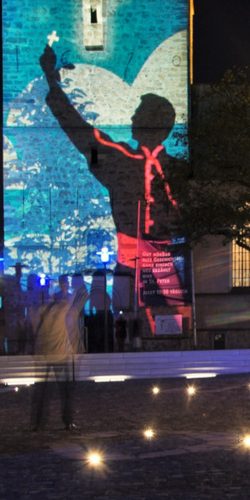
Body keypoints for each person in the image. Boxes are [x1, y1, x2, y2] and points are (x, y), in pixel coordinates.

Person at [39, 44, 189, 322]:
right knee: (126, 315)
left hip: (165, 257)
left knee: (174, 315)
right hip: (128, 255)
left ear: (154, 123)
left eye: (139, 113)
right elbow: (82, 132)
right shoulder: (120, 159)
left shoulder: (179, 171)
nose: (132, 117)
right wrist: (51, 81)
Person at [30, 276, 85, 431]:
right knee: (65, 391)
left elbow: (34, 330)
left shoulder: (35, 311)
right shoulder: (59, 309)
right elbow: (72, 298)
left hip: (42, 356)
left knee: (41, 392)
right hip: (60, 356)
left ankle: (37, 423)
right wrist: (64, 287)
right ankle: (68, 421)